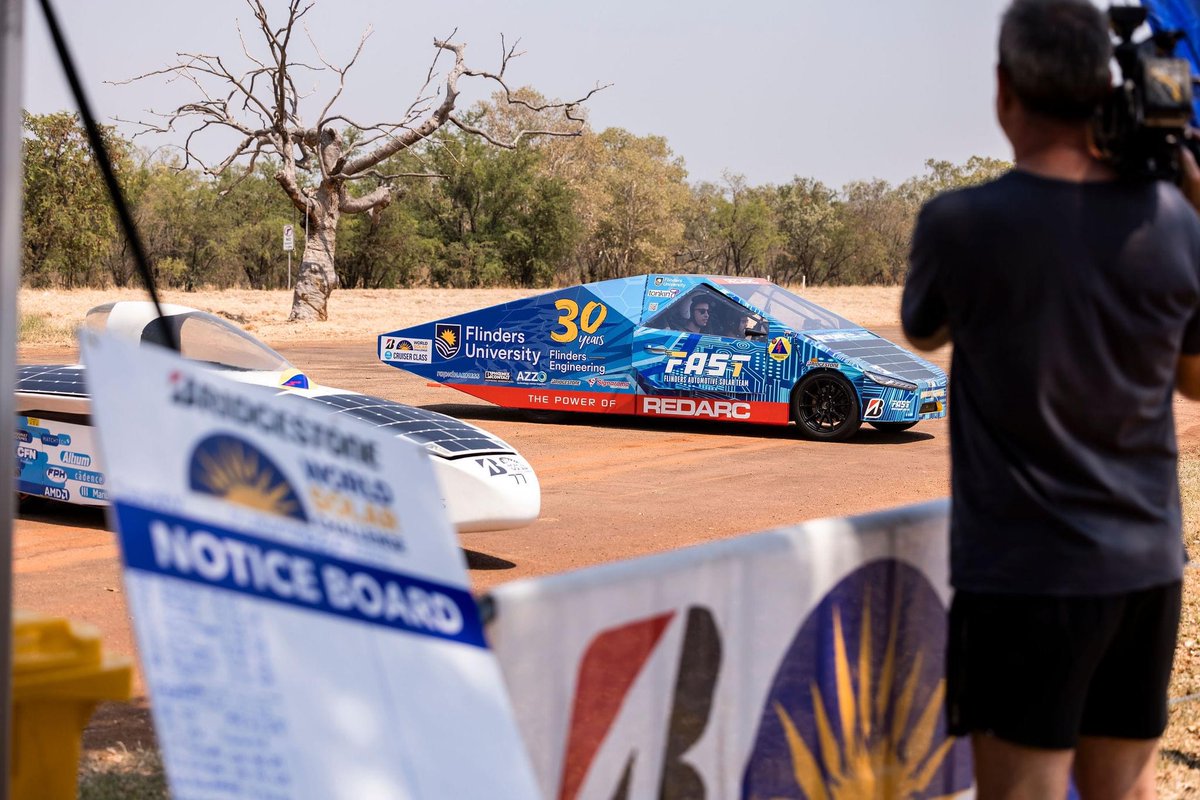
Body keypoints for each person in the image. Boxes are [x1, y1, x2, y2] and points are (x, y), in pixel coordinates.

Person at [901, 1, 1200, 797]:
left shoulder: (959, 223)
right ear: (1106, 86)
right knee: (1128, 788)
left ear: (1005, 91)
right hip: (1146, 565)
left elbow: (923, 332)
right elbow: (1196, 379)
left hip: (1026, 575)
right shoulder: (1173, 218)